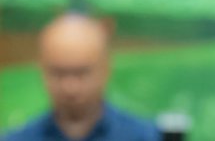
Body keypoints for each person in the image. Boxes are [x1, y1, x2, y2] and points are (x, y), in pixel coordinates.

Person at [4, 13, 160, 141]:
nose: (70, 87)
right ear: (42, 70)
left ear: (106, 69)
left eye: (81, 73)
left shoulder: (146, 137)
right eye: (59, 73)